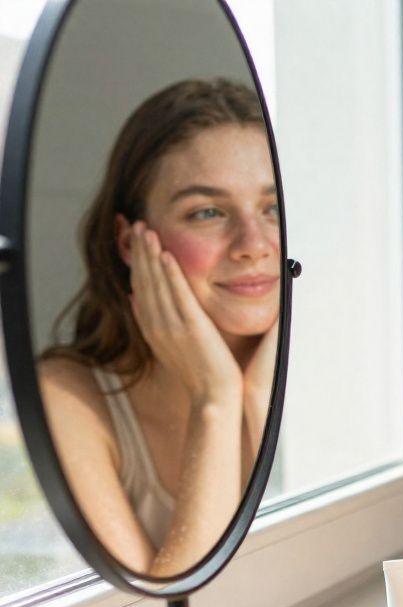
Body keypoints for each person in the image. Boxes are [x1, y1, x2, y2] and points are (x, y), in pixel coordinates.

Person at [38, 78, 280, 578]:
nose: (254, 244)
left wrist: (261, 401)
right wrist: (215, 399)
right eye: (208, 212)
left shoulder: (352, 360)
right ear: (130, 242)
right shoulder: (68, 399)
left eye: (272, 209)